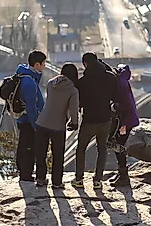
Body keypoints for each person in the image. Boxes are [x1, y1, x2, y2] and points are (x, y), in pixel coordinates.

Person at [73, 52, 117, 189]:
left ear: (85, 64)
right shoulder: (110, 78)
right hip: (105, 119)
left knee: (81, 148)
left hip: (89, 120)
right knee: (102, 150)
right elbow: (115, 92)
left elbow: (78, 103)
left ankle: (79, 179)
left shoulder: (83, 82)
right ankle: (98, 181)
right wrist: (103, 64)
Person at [34, 63, 80, 189]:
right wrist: (74, 123)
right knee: (58, 155)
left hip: (42, 122)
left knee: (41, 153)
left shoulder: (50, 83)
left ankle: (40, 179)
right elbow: (73, 110)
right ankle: (56, 182)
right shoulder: (73, 91)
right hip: (58, 125)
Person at [15, 50, 47, 182]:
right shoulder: (29, 82)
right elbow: (31, 106)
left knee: (23, 144)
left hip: (23, 119)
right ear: (37, 64)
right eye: (43, 63)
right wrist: (36, 125)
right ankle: (26, 175)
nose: (45, 66)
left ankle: (23, 171)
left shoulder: (24, 75)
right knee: (28, 147)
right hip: (28, 120)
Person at [108, 64, 140, 188]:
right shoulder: (123, 80)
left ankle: (123, 176)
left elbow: (125, 104)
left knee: (118, 146)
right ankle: (121, 172)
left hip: (125, 121)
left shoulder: (120, 83)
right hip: (127, 119)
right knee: (117, 145)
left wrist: (114, 106)